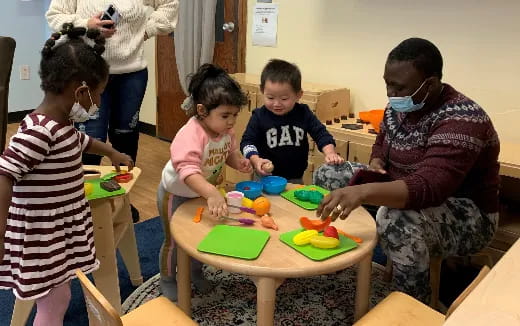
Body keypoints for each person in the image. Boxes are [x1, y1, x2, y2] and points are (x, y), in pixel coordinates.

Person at [313, 38, 500, 303]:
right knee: (328, 174)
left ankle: (410, 306)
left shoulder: (463, 118)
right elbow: (381, 145)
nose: (390, 93)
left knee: (397, 219)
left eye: (398, 87)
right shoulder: (399, 106)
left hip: (464, 211)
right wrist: (377, 164)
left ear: (431, 84)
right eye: (387, 83)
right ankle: (339, 252)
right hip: (403, 186)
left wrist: (364, 191)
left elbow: (430, 188)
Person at [0, 24, 134, 326]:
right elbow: (4, 174)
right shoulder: (39, 132)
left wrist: (111, 152)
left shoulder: (62, 126)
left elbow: (84, 142)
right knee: (55, 302)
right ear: (81, 90)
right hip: (40, 235)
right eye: (98, 94)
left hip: (55, 232)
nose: (97, 103)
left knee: (59, 296)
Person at [46, 0, 179, 221]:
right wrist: (86, 24)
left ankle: (122, 199)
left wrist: (144, 31)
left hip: (132, 74)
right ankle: (86, 204)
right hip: (89, 72)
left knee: (125, 137)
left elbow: (170, 4)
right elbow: (55, 16)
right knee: (90, 139)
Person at [158, 63, 252, 301]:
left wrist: (238, 161)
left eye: (234, 115)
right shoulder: (190, 134)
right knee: (174, 242)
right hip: (175, 194)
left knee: (198, 236)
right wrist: (211, 192)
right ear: (202, 110)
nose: (231, 122)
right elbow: (188, 171)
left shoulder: (225, 132)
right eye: (225, 116)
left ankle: (195, 274)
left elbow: (228, 152)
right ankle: (167, 279)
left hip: (201, 193)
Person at [240, 59, 344, 184]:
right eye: (270, 97)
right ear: (262, 91)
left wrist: (330, 153)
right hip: (265, 177)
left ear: (298, 95)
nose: (277, 104)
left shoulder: (303, 113)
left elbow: (321, 133)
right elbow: (247, 142)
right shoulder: (259, 116)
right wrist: (256, 160)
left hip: (295, 178)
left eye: (284, 98)